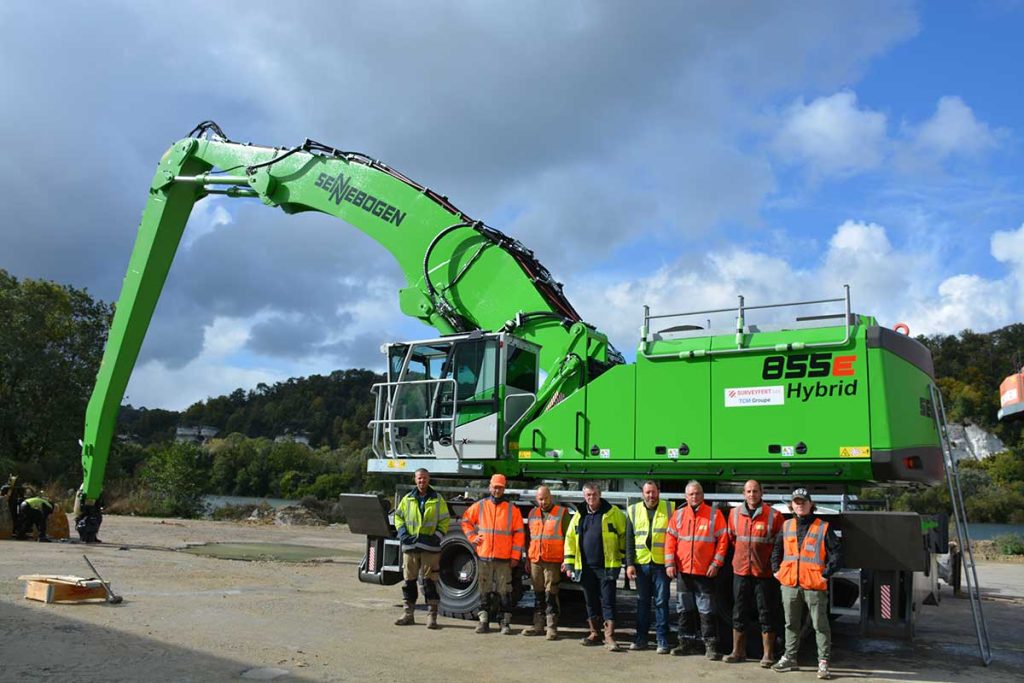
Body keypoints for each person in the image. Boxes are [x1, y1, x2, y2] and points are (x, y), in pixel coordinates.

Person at [771, 488, 842, 680]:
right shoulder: (786, 526)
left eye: (803, 501)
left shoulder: (823, 527)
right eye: (796, 501)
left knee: (820, 625)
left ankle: (823, 663)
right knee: (790, 623)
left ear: (811, 504)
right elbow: (776, 550)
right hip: (790, 584)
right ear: (792, 505)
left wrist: (825, 576)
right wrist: (776, 571)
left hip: (814, 585)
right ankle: (790, 657)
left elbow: (837, 555)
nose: (799, 504)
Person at [665, 480, 728, 659]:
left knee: (707, 609)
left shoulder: (714, 515)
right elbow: (670, 541)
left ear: (703, 495)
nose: (694, 497)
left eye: (697, 493)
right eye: (691, 494)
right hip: (684, 570)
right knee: (684, 608)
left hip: (705, 571)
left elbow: (723, 541)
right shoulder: (678, 515)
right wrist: (670, 563)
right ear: (686, 496)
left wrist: (716, 564)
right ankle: (686, 643)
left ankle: (710, 646)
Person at [724, 479, 784, 666]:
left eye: (755, 491)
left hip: (763, 573)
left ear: (762, 493)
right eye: (748, 491)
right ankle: (737, 652)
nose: (752, 494)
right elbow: (733, 539)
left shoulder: (774, 516)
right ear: (743, 494)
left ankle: (768, 654)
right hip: (741, 571)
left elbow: (779, 544)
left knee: (766, 612)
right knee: (739, 611)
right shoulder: (734, 514)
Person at [563, 482, 627, 652]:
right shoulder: (579, 515)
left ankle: (609, 636)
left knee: (608, 601)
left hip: (607, 566)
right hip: (585, 567)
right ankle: (594, 632)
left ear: (600, 495)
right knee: (590, 601)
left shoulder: (614, 513)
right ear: (584, 496)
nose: (591, 498)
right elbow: (570, 539)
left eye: (594, 494)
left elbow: (624, 535)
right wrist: (569, 563)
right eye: (588, 495)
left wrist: (621, 556)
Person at [461, 473, 525, 635]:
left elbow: (518, 535)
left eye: (500, 488)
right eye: (495, 487)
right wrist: (472, 538)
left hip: (504, 559)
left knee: (505, 591)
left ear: (504, 489)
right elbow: (466, 521)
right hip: (484, 557)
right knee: (484, 589)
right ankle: (483, 621)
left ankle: (505, 622)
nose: (497, 490)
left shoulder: (512, 510)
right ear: (490, 487)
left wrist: (515, 557)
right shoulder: (480, 506)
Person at [393, 468, 451, 629]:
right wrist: (403, 533)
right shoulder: (407, 499)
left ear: (428, 479)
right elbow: (398, 517)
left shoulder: (438, 500)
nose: (422, 481)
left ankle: (432, 617)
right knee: (409, 581)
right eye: (419, 478)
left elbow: (445, 520)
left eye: (424, 478)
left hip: (430, 547)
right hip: (410, 546)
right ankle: (408, 614)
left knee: (430, 582)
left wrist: (436, 537)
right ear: (415, 479)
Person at [625, 480, 675, 654]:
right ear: (642, 494)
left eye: (653, 492)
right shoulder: (633, 510)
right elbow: (629, 540)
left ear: (659, 492)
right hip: (641, 564)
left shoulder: (670, 509)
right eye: (647, 493)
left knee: (662, 602)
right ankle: (641, 639)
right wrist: (629, 564)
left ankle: (662, 640)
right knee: (642, 602)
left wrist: (672, 562)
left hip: (662, 565)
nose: (651, 496)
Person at [520, 485, 569, 640]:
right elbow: (529, 538)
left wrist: (567, 559)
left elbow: (569, 538)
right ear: (536, 499)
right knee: (538, 593)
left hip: (553, 560)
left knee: (551, 593)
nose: (543, 501)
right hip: (535, 559)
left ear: (551, 496)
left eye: (546, 498)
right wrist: (527, 559)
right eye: (540, 499)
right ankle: (538, 625)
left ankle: (552, 627)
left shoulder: (562, 513)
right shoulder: (533, 513)